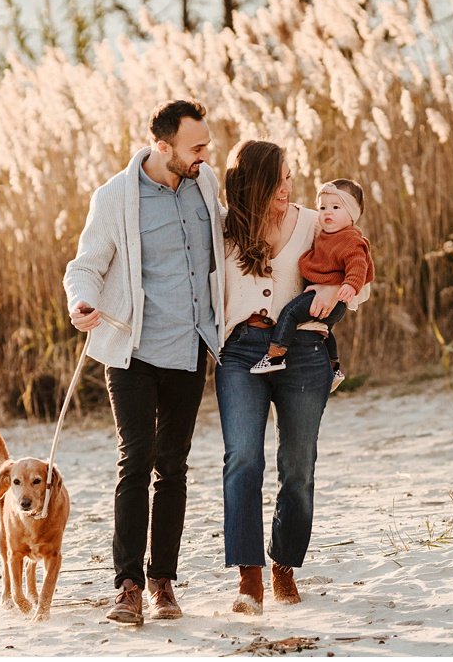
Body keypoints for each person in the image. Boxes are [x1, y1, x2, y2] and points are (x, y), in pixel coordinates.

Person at [63, 99, 224, 626]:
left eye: (206, 145)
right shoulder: (116, 197)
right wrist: (80, 303)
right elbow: (85, 265)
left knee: (172, 466)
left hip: (189, 347)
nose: (205, 154)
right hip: (131, 350)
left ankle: (163, 582)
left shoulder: (205, 184)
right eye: (196, 146)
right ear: (162, 146)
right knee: (135, 462)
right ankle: (127, 584)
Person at [215, 139, 342, 615]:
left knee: (298, 465)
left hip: (304, 355)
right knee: (243, 458)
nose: (287, 189)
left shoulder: (314, 223)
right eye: (277, 181)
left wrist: (332, 290)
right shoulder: (222, 229)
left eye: (290, 178)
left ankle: (283, 564)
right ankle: (248, 575)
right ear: (252, 184)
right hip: (241, 352)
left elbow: (359, 270)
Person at [249, 179, 374, 392]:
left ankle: (275, 356)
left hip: (334, 298)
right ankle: (333, 367)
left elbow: (358, 264)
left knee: (290, 313)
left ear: (352, 213)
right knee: (322, 329)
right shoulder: (327, 234)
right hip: (323, 293)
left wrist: (350, 286)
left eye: (336, 207)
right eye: (323, 207)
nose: (327, 213)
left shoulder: (350, 239)